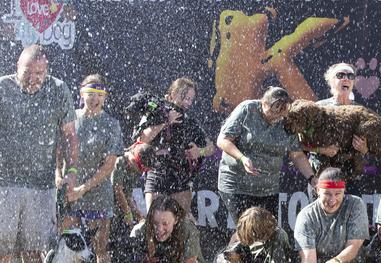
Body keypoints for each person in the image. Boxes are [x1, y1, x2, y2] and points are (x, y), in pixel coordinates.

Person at [0, 45, 78, 263]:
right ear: (17, 67)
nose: (33, 79)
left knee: (33, 254)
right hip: (3, 183)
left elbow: (70, 136)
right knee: (2, 253)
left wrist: (70, 172)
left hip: (42, 186)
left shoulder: (58, 90)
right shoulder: (2, 89)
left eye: (39, 73)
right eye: (28, 73)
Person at [59, 74, 124, 263]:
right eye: (91, 95)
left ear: (105, 98)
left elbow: (109, 166)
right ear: (81, 94)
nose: (95, 100)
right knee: (67, 246)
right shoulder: (71, 119)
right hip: (70, 193)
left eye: (100, 96)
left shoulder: (111, 124)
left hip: (98, 195)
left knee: (100, 248)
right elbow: (59, 151)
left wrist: (83, 189)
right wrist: (60, 176)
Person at [217, 86, 317, 222]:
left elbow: (297, 155)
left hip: (268, 189)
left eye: (282, 113)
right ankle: (235, 243)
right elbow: (223, 140)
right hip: (237, 185)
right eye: (274, 111)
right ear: (263, 102)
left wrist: (312, 178)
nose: (277, 117)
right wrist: (242, 158)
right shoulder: (247, 110)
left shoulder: (287, 120)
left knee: (268, 233)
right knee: (246, 231)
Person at [137, 77, 215, 217]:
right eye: (184, 97)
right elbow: (142, 139)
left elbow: (211, 148)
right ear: (172, 93)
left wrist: (199, 151)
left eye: (191, 99)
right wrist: (165, 121)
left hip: (180, 179)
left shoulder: (189, 122)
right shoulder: (155, 112)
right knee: (154, 224)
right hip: (156, 174)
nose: (187, 102)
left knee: (181, 226)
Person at [306, 63, 369, 196]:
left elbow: (371, 149)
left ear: (353, 82)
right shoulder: (318, 109)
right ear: (331, 81)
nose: (346, 78)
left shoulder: (361, 111)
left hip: (350, 179)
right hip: (322, 177)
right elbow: (300, 144)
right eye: (340, 75)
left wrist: (364, 148)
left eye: (350, 76)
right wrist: (322, 150)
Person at [110, 142, 155, 241]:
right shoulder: (120, 161)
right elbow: (118, 190)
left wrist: (138, 215)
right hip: (109, 208)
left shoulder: (135, 171)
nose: (141, 172)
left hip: (120, 211)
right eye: (142, 169)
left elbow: (128, 195)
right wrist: (127, 213)